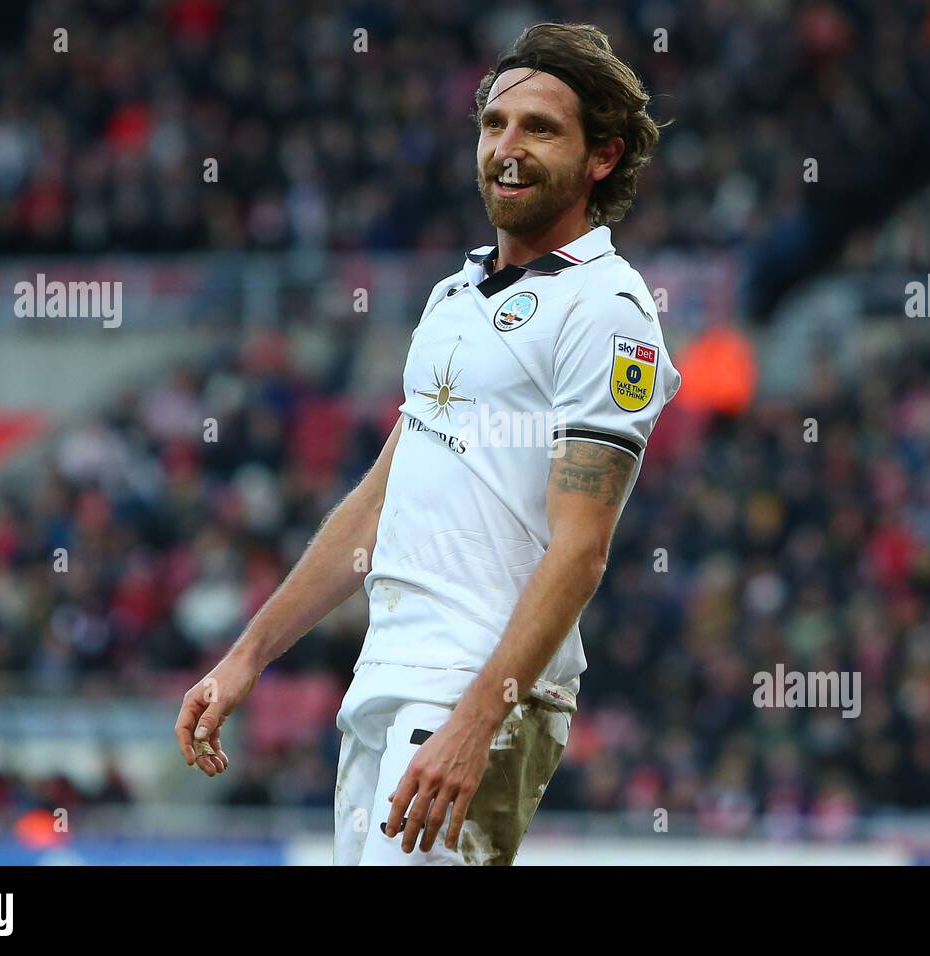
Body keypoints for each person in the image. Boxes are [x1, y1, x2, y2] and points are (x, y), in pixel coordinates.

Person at [175, 21, 680, 865]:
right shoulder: (455, 293)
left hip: (477, 691)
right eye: (495, 124)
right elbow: (379, 501)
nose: (507, 148)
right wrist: (247, 657)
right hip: (389, 677)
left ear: (603, 156)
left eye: (540, 128)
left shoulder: (608, 310)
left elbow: (582, 549)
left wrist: (479, 718)